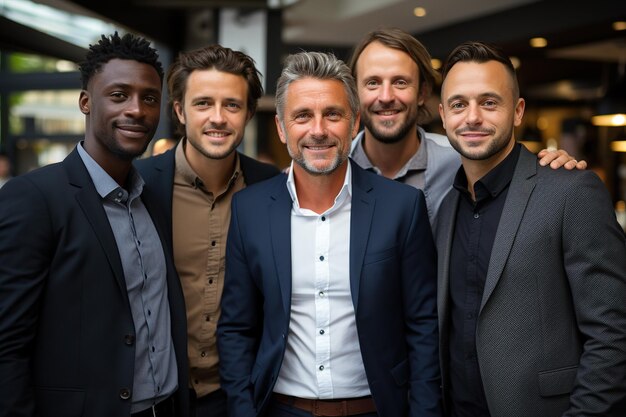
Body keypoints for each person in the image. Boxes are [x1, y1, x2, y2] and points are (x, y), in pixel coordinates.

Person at [217, 51, 441, 417]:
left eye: (332, 115)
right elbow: (236, 328)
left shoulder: (402, 207)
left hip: (376, 408)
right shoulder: (250, 210)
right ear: (281, 127)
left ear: (354, 124)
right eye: (302, 116)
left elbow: (423, 328)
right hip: (282, 409)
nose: (318, 130)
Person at [0, 33, 189, 417]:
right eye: (119, 95)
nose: (137, 110)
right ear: (86, 102)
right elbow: (6, 344)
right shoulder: (33, 198)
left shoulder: (152, 196)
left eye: (149, 98)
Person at [436, 41, 626, 417]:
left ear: (518, 110)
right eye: (459, 104)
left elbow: (614, 333)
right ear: (443, 116)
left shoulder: (571, 191)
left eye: (489, 103)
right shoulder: (445, 209)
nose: (472, 117)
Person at [135, 44, 279, 417]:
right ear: (180, 110)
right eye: (203, 104)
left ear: (248, 113)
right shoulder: (140, 186)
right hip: (158, 396)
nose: (218, 118)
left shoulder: (274, 188)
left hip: (243, 396)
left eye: (232, 105)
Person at [347, 28, 586, 227]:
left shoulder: (460, 161)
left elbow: (521, 180)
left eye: (400, 82)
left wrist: (553, 166)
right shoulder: (338, 169)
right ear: (355, 93)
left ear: (422, 92)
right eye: (372, 83)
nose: (386, 96)